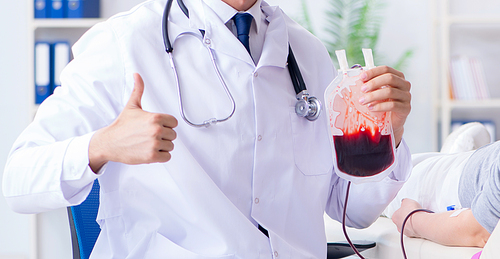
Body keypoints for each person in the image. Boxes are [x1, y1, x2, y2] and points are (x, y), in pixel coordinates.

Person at [3, 0, 412, 257]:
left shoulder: (307, 54)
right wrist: (101, 146)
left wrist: (389, 132)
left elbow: (353, 211)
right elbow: (18, 180)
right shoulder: (125, 42)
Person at [386, 122, 497, 248]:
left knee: (386, 180)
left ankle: (454, 154)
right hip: (482, 163)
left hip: (458, 184)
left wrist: (412, 220)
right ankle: (454, 154)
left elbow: (481, 231)